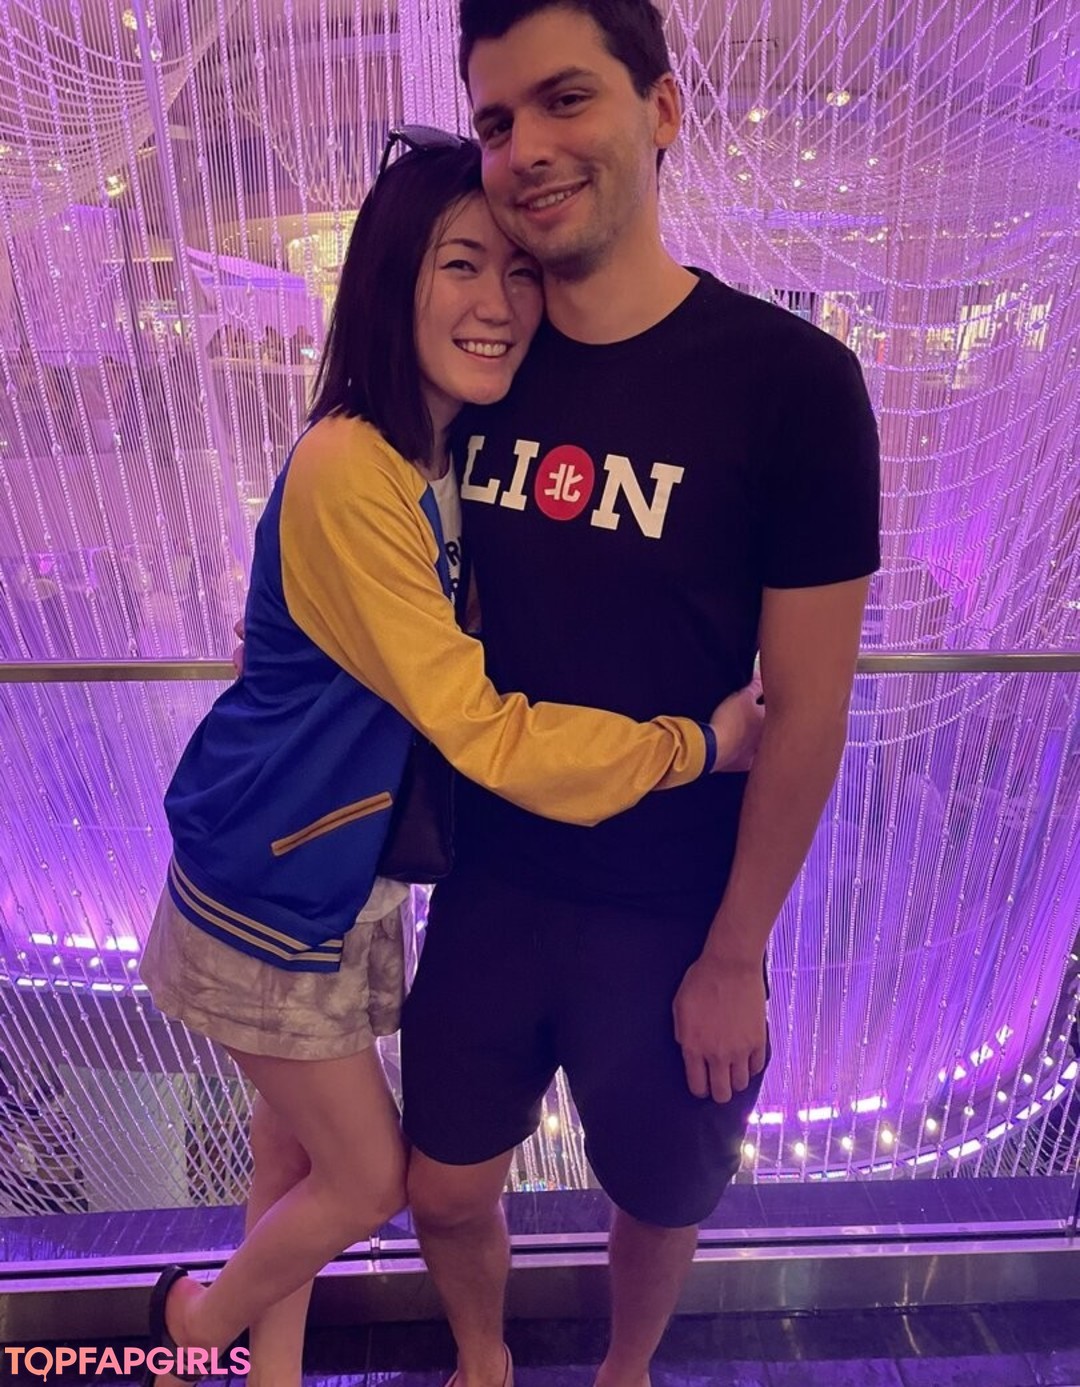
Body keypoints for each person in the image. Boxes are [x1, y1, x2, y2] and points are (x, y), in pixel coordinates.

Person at [137, 134, 763, 1386]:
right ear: (391, 278)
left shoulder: (435, 457)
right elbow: (479, 726)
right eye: (461, 265)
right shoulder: (350, 468)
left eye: (517, 271)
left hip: (329, 877)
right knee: (368, 1175)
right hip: (266, 890)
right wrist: (696, 744)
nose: (500, 302)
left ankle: (271, 1372)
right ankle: (200, 1323)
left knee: (289, 1152)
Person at [398, 5, 882, 1387]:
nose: (526, 150)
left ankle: (626, 1370)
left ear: (662, 110)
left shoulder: (792, 384)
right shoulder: (479, 363)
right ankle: (482, 1358)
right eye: (497, 123)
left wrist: (736, 954)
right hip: (489, 877)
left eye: (566, 100)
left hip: (675, 906)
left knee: (662, 1196)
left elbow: (808, 708)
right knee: (443, 1183)